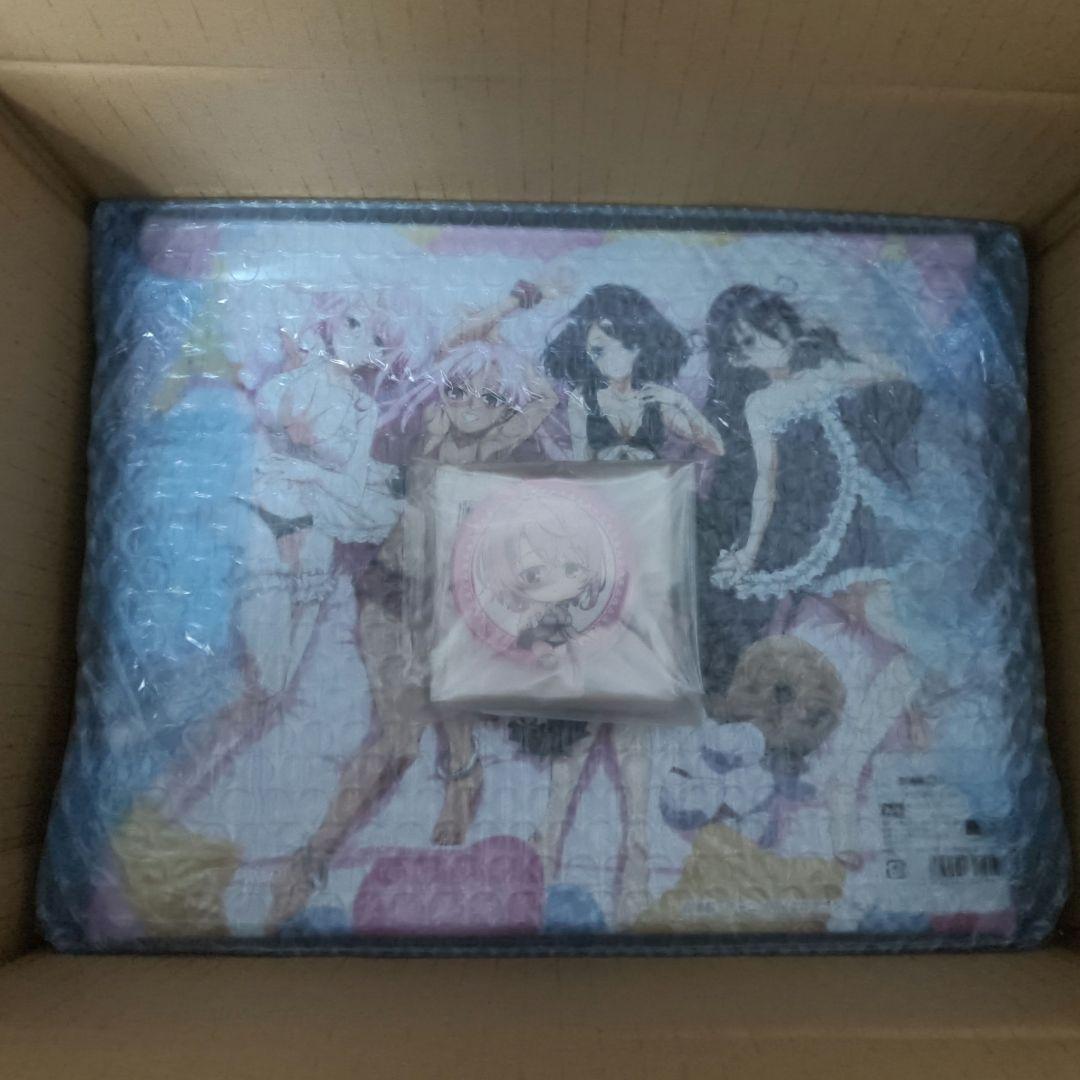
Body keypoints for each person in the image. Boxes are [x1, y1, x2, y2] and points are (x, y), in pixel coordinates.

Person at [265, 306, 562, 931]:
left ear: (505, 407)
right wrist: (492, 329)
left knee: (444, 687)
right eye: (460, 390)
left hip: (452, 590)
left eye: (490, 399)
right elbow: (445, 355)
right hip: (387, 582)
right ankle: (318, 852)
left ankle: (458, 773)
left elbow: (543, 397)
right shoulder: (419, 421)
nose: (470, 405)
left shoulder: (501, 442)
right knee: (398, 733)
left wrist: (506, 349)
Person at [543, 284, 726, 460]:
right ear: (586, 352)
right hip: (604, 481)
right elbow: (582, 463)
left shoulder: (654, 398)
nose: (613, 358)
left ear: (642, 347)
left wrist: (682, 402)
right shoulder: (583, 399)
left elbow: (716, 447)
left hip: (652, 481)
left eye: (626, 346)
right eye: (599, 350)